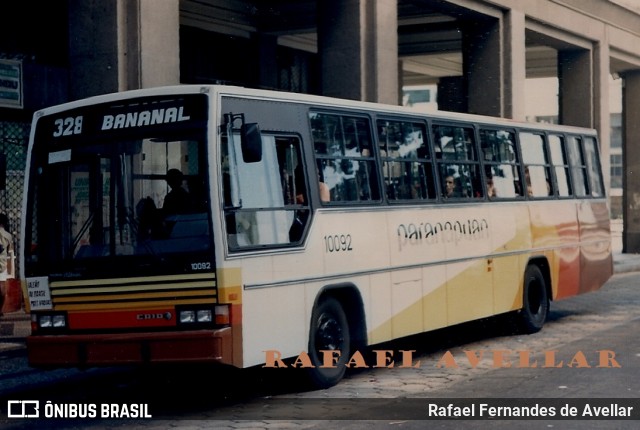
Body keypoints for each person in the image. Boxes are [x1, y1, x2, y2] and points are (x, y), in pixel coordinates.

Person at [0, 213, 13, 317]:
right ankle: (0, 310)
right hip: (2, 264)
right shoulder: (8, 236)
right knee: (2, 288)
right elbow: (9, 251)